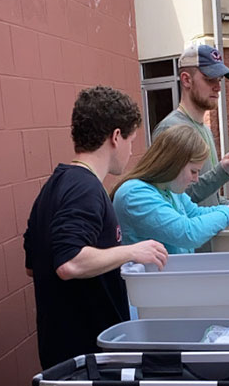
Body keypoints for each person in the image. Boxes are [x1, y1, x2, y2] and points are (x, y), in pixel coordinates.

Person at [23, 86, 168, 371]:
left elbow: (34, 266)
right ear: (116, 137)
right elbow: (68, 262)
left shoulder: (54, 187)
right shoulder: (84, 189)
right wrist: (131, 252)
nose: (131, 150)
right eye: (131, 139)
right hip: (86, 360)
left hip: (66, 357)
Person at [111, 124, 229, 254]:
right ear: (173, 164)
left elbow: (195, 213)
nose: (196, 179)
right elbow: (188, 233)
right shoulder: (135, 194)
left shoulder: (168, 189)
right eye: (193, 171)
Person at [152, 44, 229, 209]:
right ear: (186, 80)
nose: (218, 87)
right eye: (210, 78)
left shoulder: (205, 129)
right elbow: (175, 202)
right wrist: (223, 172)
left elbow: (208, 200)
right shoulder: (170, 129)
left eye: (219, 80)